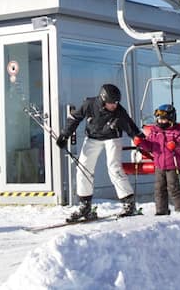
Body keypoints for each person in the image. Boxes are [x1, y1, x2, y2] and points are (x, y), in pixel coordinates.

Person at [57, 83, 146, 222]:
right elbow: (75, 118)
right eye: (111, 103)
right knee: (83, 169)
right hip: (92, 137)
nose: (114, 105)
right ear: (103, 99)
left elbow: (131, 127)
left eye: (116, 102)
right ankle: (85, 206)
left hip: (112, 138)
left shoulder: (119, 111)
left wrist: (139, 138)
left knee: (114, 168)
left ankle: (129, 204)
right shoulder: (89, 104)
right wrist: (64, 135)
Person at [135, 104, 180, 216]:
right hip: (159, 165)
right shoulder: (155, 131)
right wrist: (141, 143)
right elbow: (150, 145)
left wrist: (176, 145)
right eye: (159, 119)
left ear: (171, 119)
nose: (161, 121)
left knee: (174, 188)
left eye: (163, 119)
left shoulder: (177, 131)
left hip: (173, 165)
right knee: (159, 189)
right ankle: (161, 212)